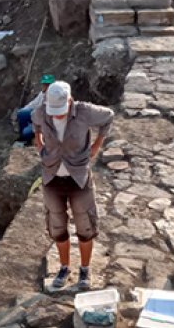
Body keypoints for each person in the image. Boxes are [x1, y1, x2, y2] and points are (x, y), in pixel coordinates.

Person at [33, 81, 114, 291]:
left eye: (61, 111)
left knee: (85, 226)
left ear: (70, 101)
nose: (57, 115)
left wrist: (97, 144)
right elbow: (35, 123)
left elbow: (108, 117)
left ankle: (85, 269)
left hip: (78, 178)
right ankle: (64, 267)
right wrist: (40, 144)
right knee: (57, 227)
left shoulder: (85, 112)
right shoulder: (42, 112)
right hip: (52, 178)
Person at [16, 74, 55, 144]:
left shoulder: (55, 97)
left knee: (26, 132)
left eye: (47, 84)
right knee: (21, 113)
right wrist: (23, 110)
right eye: (44, 84)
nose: (45, 86)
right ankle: (22, 136)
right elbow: (33, 104)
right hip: (36, 117)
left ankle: (29, 140)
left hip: (44, 123)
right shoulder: (42, 94)